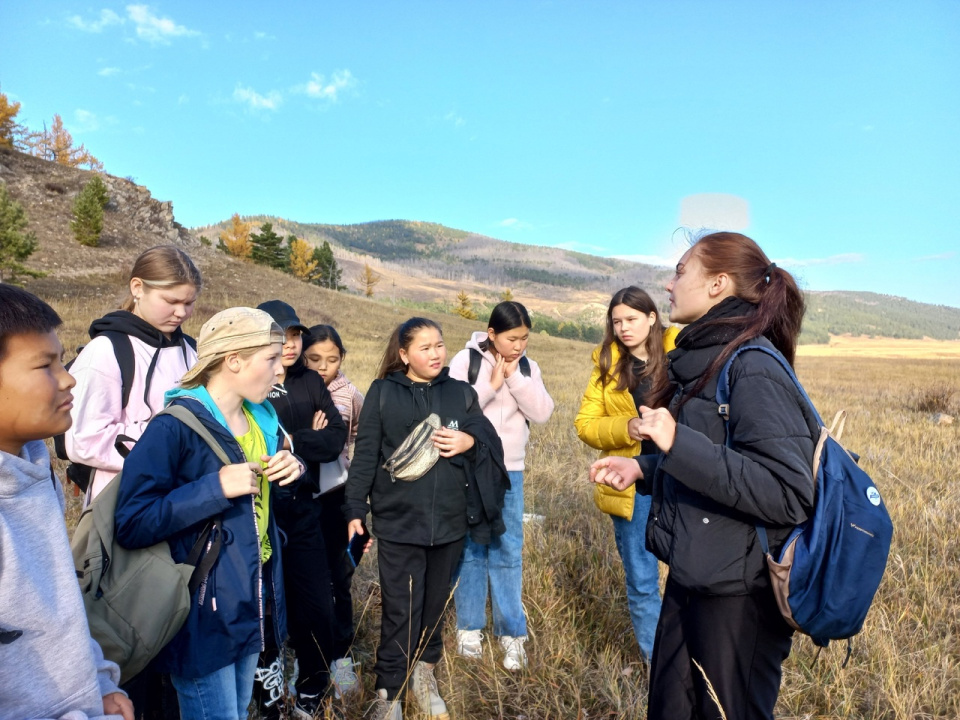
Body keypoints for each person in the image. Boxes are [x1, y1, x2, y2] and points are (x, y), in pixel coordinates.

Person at [589, 232, 818, 720]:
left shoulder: (752, 366)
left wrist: (677, 443)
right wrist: (643, 468)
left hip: (740, 597)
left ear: (717, 284)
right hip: (693, 576)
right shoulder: (707, 361)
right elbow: (719, 461)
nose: (669, 286)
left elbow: (788, 493)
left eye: (679, 271)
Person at [114, 307, 303, 720]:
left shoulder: (261, 417)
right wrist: (214, 488)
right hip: (202, 612)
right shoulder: (173, 426)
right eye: (270, 359)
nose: (280, 370)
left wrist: (294, 465)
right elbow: (132, 521)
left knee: (235, 711)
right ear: (232, 360)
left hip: (252, 597)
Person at [343, 317, 508, 720]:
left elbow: (488, 439)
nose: (435, 354)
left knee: (434, 606)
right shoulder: (384, 393)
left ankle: (424, 673)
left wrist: (469, 441)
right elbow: (365, 457)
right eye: (424, 348)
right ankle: (389, 692)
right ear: (403, 355)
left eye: (439, 345)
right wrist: (354, 510)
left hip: (451, 523)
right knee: (401, 608)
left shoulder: (460, 393)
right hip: (399, 522)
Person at [0, 284, 134, 720]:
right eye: (45, 364)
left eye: (62, 359)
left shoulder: (36, 466)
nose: (68, 377)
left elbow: (59, 608)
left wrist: (96, 681)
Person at [448, 301, 554, 670]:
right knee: (472, 549)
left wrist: (513, 378)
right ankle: (469, 629)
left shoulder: (528, 367)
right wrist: (492, 383)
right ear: (491, 334)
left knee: (508, 550)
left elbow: (542, 412)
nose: (519, 346)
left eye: (525, 338)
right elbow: (456, 411)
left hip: (511, 470)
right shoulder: (466, 361)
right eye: (512, 338)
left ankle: (512, 634)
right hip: (471, 469)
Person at [254, 301, 348, 720]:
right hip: (259, 510)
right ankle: (267, 691)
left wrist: (293, 443)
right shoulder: (252, 381)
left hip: (306, 506)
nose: (291, 345)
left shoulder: (309, 380)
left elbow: (335, 439)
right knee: (266, 605)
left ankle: (314, 686)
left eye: (295, 336)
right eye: (281, 336)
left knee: (318, 601)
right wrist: (304, 433)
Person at [573, 287, 673, 661]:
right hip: (632, 489)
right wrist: (625, 427)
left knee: (690, 578)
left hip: (682, 481)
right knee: (643, 582)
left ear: (651, 317)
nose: (623, 328)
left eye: (631, 319)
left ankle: (694, 659)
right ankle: (658, 664)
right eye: (616, 321)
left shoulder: (681, 352)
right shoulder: (607, 363)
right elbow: (585, 424)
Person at [65, 244, 201, 504]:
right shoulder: (107, 351)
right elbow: (83, 439)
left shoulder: (193, 351)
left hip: (187, 498)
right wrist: (174, 443)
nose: (181, 312)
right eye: (171, 301)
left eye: (189, 302)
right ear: (137, 288)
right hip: (126, 502)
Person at [302, 323, 365, 687]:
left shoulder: (350, 393)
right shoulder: (293, 389)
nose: (324, 366)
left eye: (332, 359)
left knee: (339, 578)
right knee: (308, 581)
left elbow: (361, 432)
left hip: (336, 496)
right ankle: (308, 656)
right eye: (314, 359)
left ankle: (341, 657)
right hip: (300, 496)